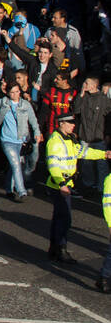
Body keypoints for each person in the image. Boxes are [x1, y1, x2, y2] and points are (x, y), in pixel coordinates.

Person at [44, 113, 111, 263]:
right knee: (65, 219)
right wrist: (62, 184)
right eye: (70, 122)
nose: (73, 125)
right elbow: (53, 166)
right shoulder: (56, 142)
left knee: (58, 218)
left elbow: (83, 152)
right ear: (61, 123)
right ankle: (61, 250)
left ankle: (54, 249)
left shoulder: (68, 139)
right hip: (59, 186)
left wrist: (103, 154)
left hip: (64, 185)